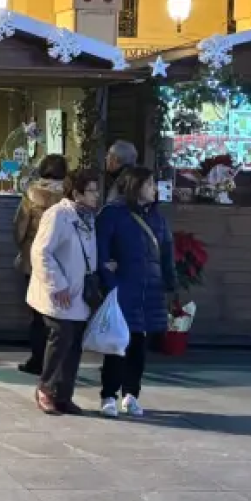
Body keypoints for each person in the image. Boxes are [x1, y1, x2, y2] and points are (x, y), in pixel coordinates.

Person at [95, 167, 176, 417]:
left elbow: (166, 254)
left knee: (139, 345)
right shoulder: (112, 214)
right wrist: (109, 281)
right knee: (117, 343)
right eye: (149, 183)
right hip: (123, 288)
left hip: (150, 290)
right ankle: (108, 394)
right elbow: (100, 251)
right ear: (135, 185)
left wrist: (169, 284)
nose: (154, 188)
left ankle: (131, 394)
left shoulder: (158, 219)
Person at [27, 167, 100, 415]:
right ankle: (45, 389)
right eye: (91, 191)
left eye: (96, 190)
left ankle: (63, 395)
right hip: (59, 292)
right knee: (60, 338)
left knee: (74, 344)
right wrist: (57, 284)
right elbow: (40, 251)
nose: (96, 195)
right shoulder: (58, 215)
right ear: (76, 193)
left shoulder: (88, 218)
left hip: (79, 292)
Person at [15, 154, 69, 376]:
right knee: (60, 317)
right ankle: (58, 362)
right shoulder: (69, 194)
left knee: (37, 315)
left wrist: (23, 247)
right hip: (63, 261)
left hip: (34, 262)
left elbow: (19, 227)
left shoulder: (31, 194)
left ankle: (37, 361)